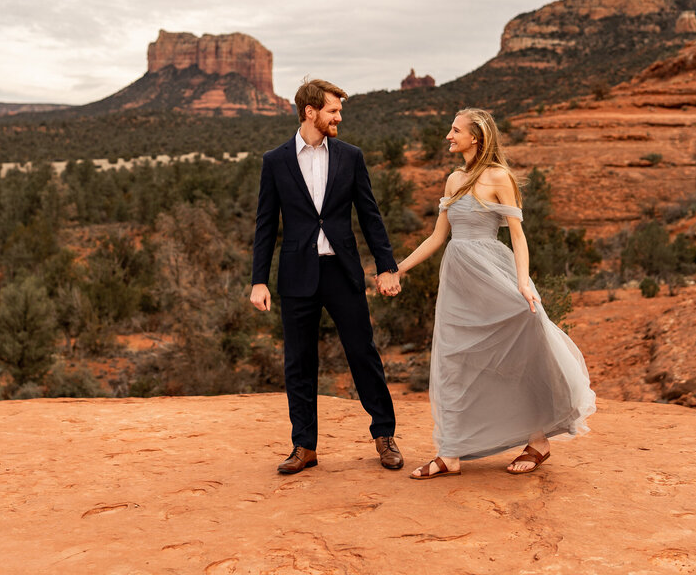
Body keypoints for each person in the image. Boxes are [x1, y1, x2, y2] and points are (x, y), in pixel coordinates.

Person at [396, 107, 595, 479]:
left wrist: (522, 282)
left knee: (518, 347)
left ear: (477, 137)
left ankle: (539, 440)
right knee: (455, 361)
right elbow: (438, 237)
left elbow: (518, 236)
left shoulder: (499, 177)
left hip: (492, 272)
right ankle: (451, 454)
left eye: (455, 130)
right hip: (458, 279)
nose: (448, 136)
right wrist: (399, 268)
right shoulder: (453, 180)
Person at [250, 78, 405, 475]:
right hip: (297, 274)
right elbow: (266, 224)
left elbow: (370, 215)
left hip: (342, 269)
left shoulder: (351, 156)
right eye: (333, 111)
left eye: (339, 111)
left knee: (362, 353)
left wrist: (386, 265)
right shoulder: (276, 160)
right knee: (298, 362)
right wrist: (259, 280)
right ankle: (304, 446)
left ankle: (384, 436)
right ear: (310, 112)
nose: (339, 117)